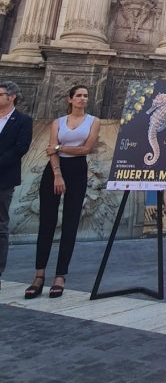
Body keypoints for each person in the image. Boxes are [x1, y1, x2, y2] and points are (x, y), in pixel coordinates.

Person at [25, 85, 100, 300]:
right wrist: (57, 173)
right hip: (54, 171)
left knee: (70, 223)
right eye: (78, 95)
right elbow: (50, 150)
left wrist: (59, 148)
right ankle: (39, 275)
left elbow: (86, 149)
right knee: (46, 223)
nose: (82, 99)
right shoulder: (57, 122)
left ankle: (60, 276)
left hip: (78, 170)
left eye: (85, 96)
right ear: (70, 99)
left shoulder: (93, 121)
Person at [0, 81, 33, 289]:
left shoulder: (22, 120)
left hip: (3, 178)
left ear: (11, 97)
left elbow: (21, 147)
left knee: (0, 225)